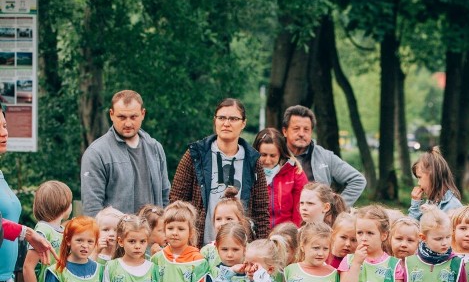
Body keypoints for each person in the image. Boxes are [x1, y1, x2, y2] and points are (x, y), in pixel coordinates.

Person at [170, 98, 270, 245]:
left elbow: (261, 213)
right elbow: (177, 202)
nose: (226, 123)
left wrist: (261, 249)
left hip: (238, 249)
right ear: (215, 120)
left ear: (243, 123)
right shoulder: (196, 155)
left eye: (233, 119)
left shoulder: (252, 161)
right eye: (221, 117)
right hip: (197, 248)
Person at [81, 90, 170, 216]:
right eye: (121, 117)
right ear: (111, 114)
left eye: (133, 117)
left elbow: (165, 196)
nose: (128, 123)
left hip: (153, 233)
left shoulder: (155, 148)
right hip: (116, 234)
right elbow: (92, 208)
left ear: (143, 114)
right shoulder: (96, 153)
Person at [281, 105, 366, 207]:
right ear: (285, 131)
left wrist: (337, 209)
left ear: (311, 132)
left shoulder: (325, 157)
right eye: (296, 129)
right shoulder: (273, 156)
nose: (301, 134)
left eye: (306, 129)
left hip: (317, 221)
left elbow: (358, 180)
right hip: (282, 220)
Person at [253, 128, 307, 228]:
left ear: (281, 154)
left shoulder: (295, 172)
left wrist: (295, 235)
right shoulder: (249, 172)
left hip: (286, 235)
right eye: (263, 155)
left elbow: (299, 210)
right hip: (257, 236)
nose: (268, 160)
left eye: (273, 156)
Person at [408, 147, 463, 220]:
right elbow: (412, 228)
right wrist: (416, 204)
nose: (418, 183)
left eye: (419, 177)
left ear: (432, 175)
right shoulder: (431, 202)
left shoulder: (453, 206)